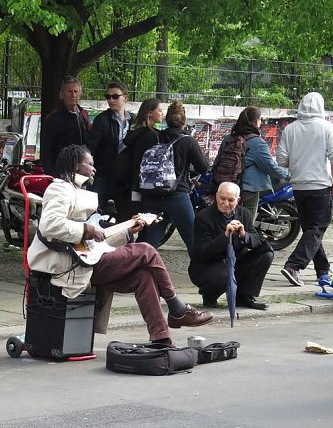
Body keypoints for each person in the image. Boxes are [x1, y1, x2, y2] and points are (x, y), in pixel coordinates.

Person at [27, 145, 213, 346]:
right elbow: (50, 225)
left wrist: (127, 232)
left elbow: (95, 243)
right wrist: (87, 230)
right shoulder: (59, 188)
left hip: (84, 261)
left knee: (144, 276)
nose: (94, 169)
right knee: (146, 250)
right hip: (67, 266)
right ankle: (177, 308)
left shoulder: (78, 193)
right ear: (75, 166)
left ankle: (161, 338)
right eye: (90, 164)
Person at [276, 92, 333, 287]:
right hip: (321, 185)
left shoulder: (290, 129)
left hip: (298, 186)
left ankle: (322, 270)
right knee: (317, 228)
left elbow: (281, 160)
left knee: (310, 230)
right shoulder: (328, 128)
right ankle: (293, 265)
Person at [137, 100, 209, 255]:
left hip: (152, 194)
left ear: (166, 119)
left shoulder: (154, 137)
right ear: (183, 121)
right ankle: (204, 274)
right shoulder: (187, 140)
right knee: (192, 238)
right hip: (177, 196)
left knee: (150, 241)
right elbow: (203, 167)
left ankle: (137, 272)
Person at [188, 182, 274, 310]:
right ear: (216, 197)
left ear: (238, 200)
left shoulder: (244, 214)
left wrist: (244, 235)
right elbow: (202, 252)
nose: (226, 203)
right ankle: (209, 296)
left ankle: (244, 296)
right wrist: (225, 236)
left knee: (266, 254)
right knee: (225, 273)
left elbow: (258, 240)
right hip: (208, 266)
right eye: (222, 199)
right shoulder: (203, 216)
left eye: (230, 200)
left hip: (235, 261)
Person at [211, 106, 289, 224]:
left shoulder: (228, 138)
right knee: (246, 225)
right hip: (247, 191)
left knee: (225, 222)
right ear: (257, 121)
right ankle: (243, 240)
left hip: (225, 188)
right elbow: (271, 167)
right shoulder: (257, 142)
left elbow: (216, 163)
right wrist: (289, 174)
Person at [112, 98, 162, 222]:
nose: (162, 113)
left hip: (128, 186)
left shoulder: (135, 134)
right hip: (142, 187)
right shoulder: (151, 136)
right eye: (160, 110)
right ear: (150, 113)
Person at [86, 81, 133, 207]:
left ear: (125, 98)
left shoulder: (134, 121)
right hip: (103, 177)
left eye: (115, 96)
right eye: (108, 97)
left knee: (125, 217)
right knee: (93, 212)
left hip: (125, 179)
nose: (111, 100)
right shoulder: (102, 120)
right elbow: (91, 148)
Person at [39, 76, 90, 176]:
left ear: (80, 94)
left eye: (76, 91)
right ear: (61, 95)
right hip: (61, 173)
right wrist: (52, 176)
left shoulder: (84, 115)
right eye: (69, 91)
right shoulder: (52, 119)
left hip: (81, 172)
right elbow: (46, 152)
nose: (73, 95)